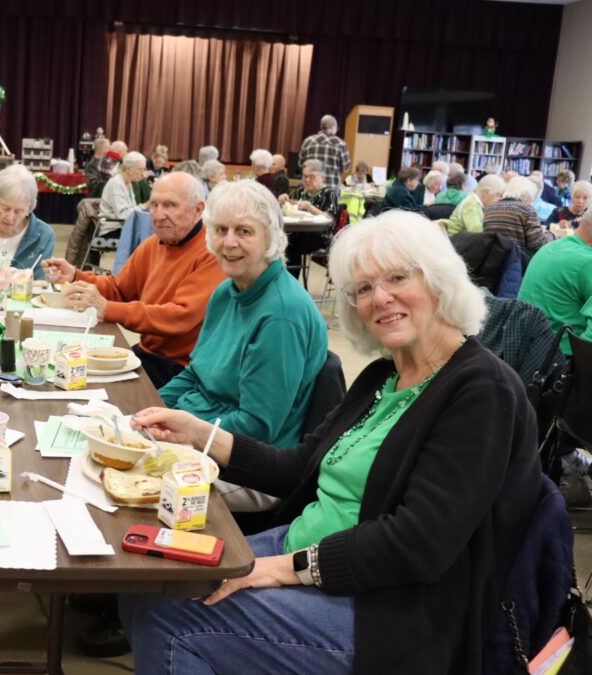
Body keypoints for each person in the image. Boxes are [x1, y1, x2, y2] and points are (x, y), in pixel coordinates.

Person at [125, 210, 540, 674]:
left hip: (394, 609)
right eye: (363, 289)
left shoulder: (481, 390)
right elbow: (299, 467)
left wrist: (278, 570)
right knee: (153, 577)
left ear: (439, 281)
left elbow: (417, 544)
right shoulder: (386, 375)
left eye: (397, 277)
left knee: (174, 614)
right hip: (309, 549)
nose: (380, 298)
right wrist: (202, 434)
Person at [160, 180, 328, 510]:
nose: (229, 242)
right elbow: (196, 374)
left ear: (271, 239)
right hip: (200, 434)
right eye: (221, 229)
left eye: (245, 231)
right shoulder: (227, 291)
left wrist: (184, 432)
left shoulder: (281, 315)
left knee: (137, 482)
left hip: (249, 465)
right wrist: (149, 413)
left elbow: (257, 427)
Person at [42, 172, 226, 389]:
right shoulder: (153, 244)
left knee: (89, 386)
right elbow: (121, 289)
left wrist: (107, 308)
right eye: (154, 205)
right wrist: (75, 275)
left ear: (198, 210)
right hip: (147, 354)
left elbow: (179, 317)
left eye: (170, 205)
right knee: (63, 372)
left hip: (182, 369)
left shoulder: (211, 253)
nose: (158, 215)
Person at [518, 204, 592, 356]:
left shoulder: (551, 247)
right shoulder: (587, 262)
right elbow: (588, 344)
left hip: (526, 352)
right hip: (562, 360)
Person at [483, 176, 550, 256]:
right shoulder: (526, 210)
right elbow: (537, 244)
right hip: (518, 262)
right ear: (527, 194)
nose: (532, 200)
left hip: (492, 260)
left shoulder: (489, 208)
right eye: (533, 196)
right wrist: (551, 235)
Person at [298, 114, 350, 192]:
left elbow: (300, 164)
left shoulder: (308, 141)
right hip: (331, 189)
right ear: (333, 127)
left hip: (310, 187)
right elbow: (346, 168)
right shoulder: (340, 143)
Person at [98, 151, 146, 233]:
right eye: (140, 169)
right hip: (112, 229)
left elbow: (130, 211)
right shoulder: (116, 183)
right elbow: (123, 216)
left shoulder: (128, 183)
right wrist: (145, 205)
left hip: (123, 226)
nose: (143, 174)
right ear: (128, 169)